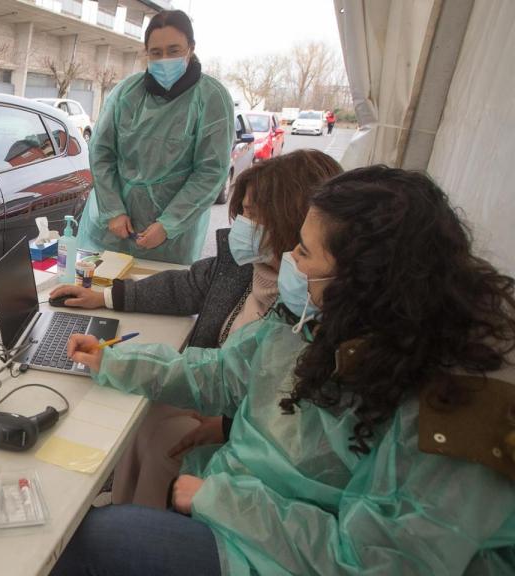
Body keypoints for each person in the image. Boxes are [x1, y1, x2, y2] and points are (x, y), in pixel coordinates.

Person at [54, 166, 515, 575]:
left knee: (93, 541)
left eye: (305, 251)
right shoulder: (323, 319)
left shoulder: (453, 409)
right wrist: (113, 360)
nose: (291, 259)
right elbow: (223, 374)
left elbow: (380, 562)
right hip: (248, 513)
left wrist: (222, 500)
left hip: (275, 552)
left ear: (365, 277)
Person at [52, 149, 342, 508]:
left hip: (246, 433)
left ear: (292, 221)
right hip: (217, 397)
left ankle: (138, 523)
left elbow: (287, 415)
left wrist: (228, 425)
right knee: (141, 418)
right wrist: (105, 298)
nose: (241, 224)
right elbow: (186, 291)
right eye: (242, 212)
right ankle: (126, 507)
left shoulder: (306, 307)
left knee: (161, 440)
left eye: (252, 214)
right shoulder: (244, 266)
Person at [77, 10, 234, 264]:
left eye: (174, 51)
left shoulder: (211, 98)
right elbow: (101, 153)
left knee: (160, 287)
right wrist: (113, 210)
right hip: (113, 232)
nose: (164, 60)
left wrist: (169, 224)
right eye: (156, 52)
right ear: (146, 53)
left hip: (170, 242)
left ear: (191, 48)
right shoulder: (126, 93)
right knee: (99, 286)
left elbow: (211, 171)